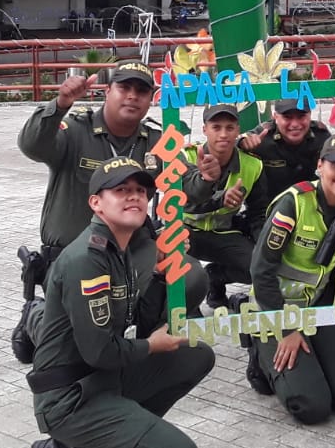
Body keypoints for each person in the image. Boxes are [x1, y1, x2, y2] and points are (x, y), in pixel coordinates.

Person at [27, 157, 215, 448]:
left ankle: (115, 435)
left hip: (104, 377)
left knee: (195, 355)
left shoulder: (125, 247)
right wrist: (151, 345)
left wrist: (164, 277)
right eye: (121, 190)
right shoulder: (88, 259)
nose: (134, 197)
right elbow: (100, 352)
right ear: (96, 203)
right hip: (70, 396)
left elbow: (132, 321)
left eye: (140, 191)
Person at [14, 60, 205, 363]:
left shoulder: (155, 141)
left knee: (191, 275)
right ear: (107, 90)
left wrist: (209, 174)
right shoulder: (77, 130)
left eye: (141, 91)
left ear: (151, 98)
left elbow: (188, 184)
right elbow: (32, 145)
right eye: (124, 87)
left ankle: (136, 345)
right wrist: (61, 104)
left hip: (131, 256)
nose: (132, 96)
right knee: (74, 351)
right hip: (72, 258)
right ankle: (35, 316)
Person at [247, 134, 335, 424]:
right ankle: (258, 355)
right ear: (319, 165)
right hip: (274, 310)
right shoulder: (294, 203)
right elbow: (260, 271)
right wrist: (288, 328)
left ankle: (312, 354)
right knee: (312, 408)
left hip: (317, 306)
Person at [181, 103, 268, 310]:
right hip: (185, 232)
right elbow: (181, 202)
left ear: (238, 130)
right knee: (185, 272)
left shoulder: (253, 165)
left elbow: (258, 213)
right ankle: (189, 309)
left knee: (259, 267)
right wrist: (220, 200)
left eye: (230, 128)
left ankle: (216, 278)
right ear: (204, 129)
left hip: (223, 233)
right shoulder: (187, 156)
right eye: (216, 127)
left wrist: (262, 249)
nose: (223, 134)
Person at [239, 98, 331, 197]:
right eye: (287, 117)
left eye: (301, 117)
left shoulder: (321, 135)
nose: (295, 124)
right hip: (269, 206)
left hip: (311, 204)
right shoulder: (263, 136)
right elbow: (236, 143)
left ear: (310, 115)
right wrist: (242, 144)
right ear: (275, 117)